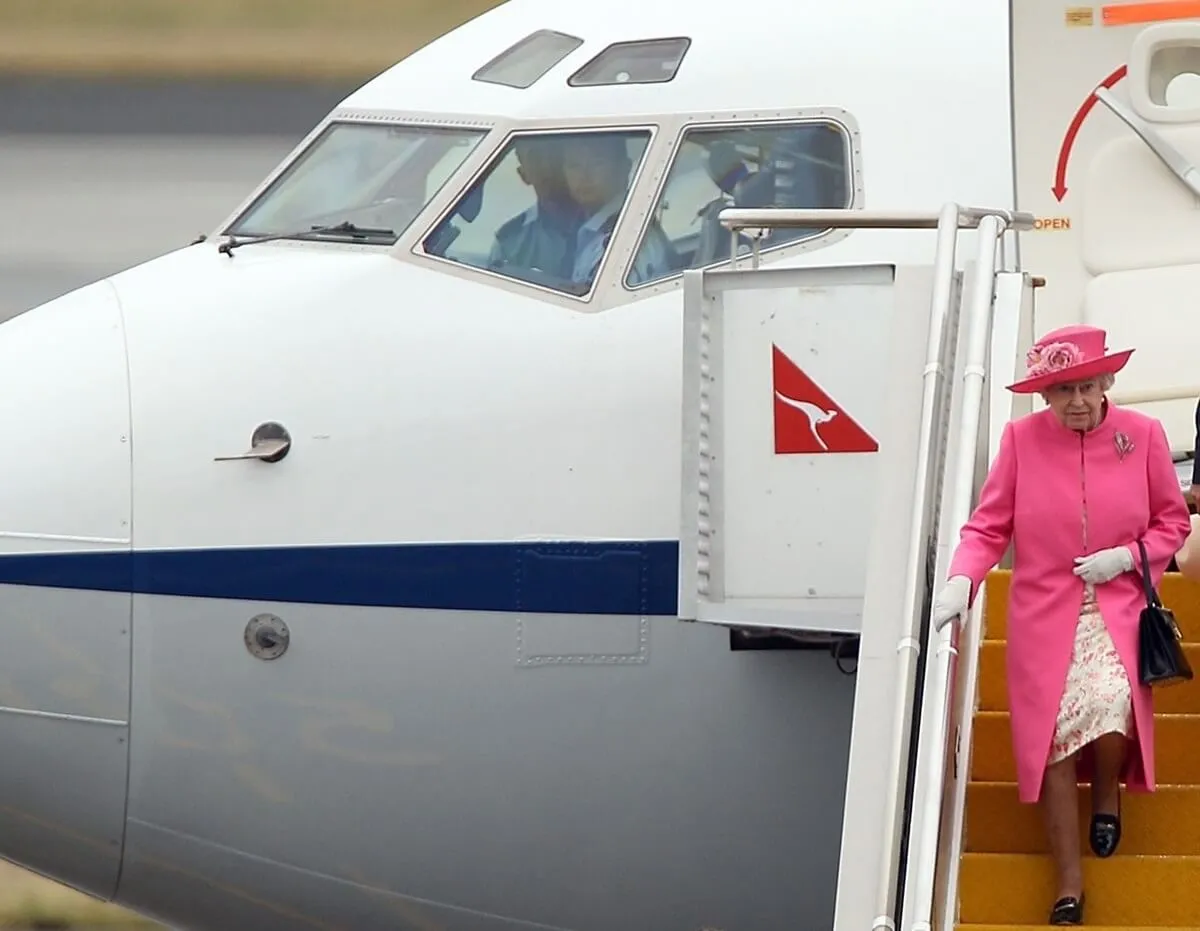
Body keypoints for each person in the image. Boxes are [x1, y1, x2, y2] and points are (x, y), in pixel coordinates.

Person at [930, 324, 1191, 926]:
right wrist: (962, 581)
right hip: (1042, 612)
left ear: (1107, 383)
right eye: (1061, 390)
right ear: (1044, 397)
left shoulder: (1143, 436)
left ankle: (1105, 792)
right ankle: (1068, 884)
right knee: (1047, 740)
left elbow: (1172, 524)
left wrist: (1125, 557)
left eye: (1085, 386)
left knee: (1109, 699)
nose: (1076, 400)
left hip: (1117, 603)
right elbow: (988, 527)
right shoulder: (1021, 440)